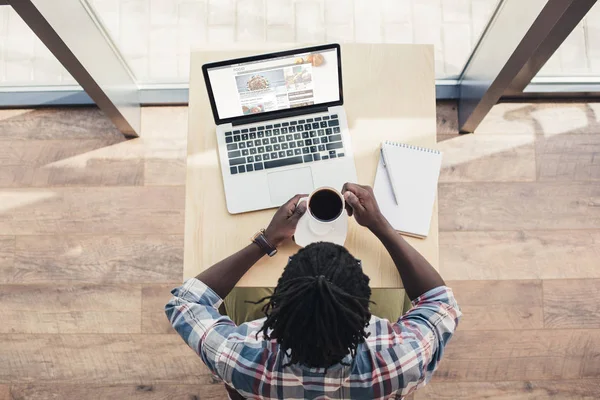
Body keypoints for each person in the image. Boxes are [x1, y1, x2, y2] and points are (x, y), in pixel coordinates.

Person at [166, 183, 461, 400]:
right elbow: (440, 301)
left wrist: (267, 241)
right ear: (364, 313)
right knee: (399, 295)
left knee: (236, 297)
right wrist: (380, 225)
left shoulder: (240, 359)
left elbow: (185, 301)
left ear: (277, 304)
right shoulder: (402, 360)